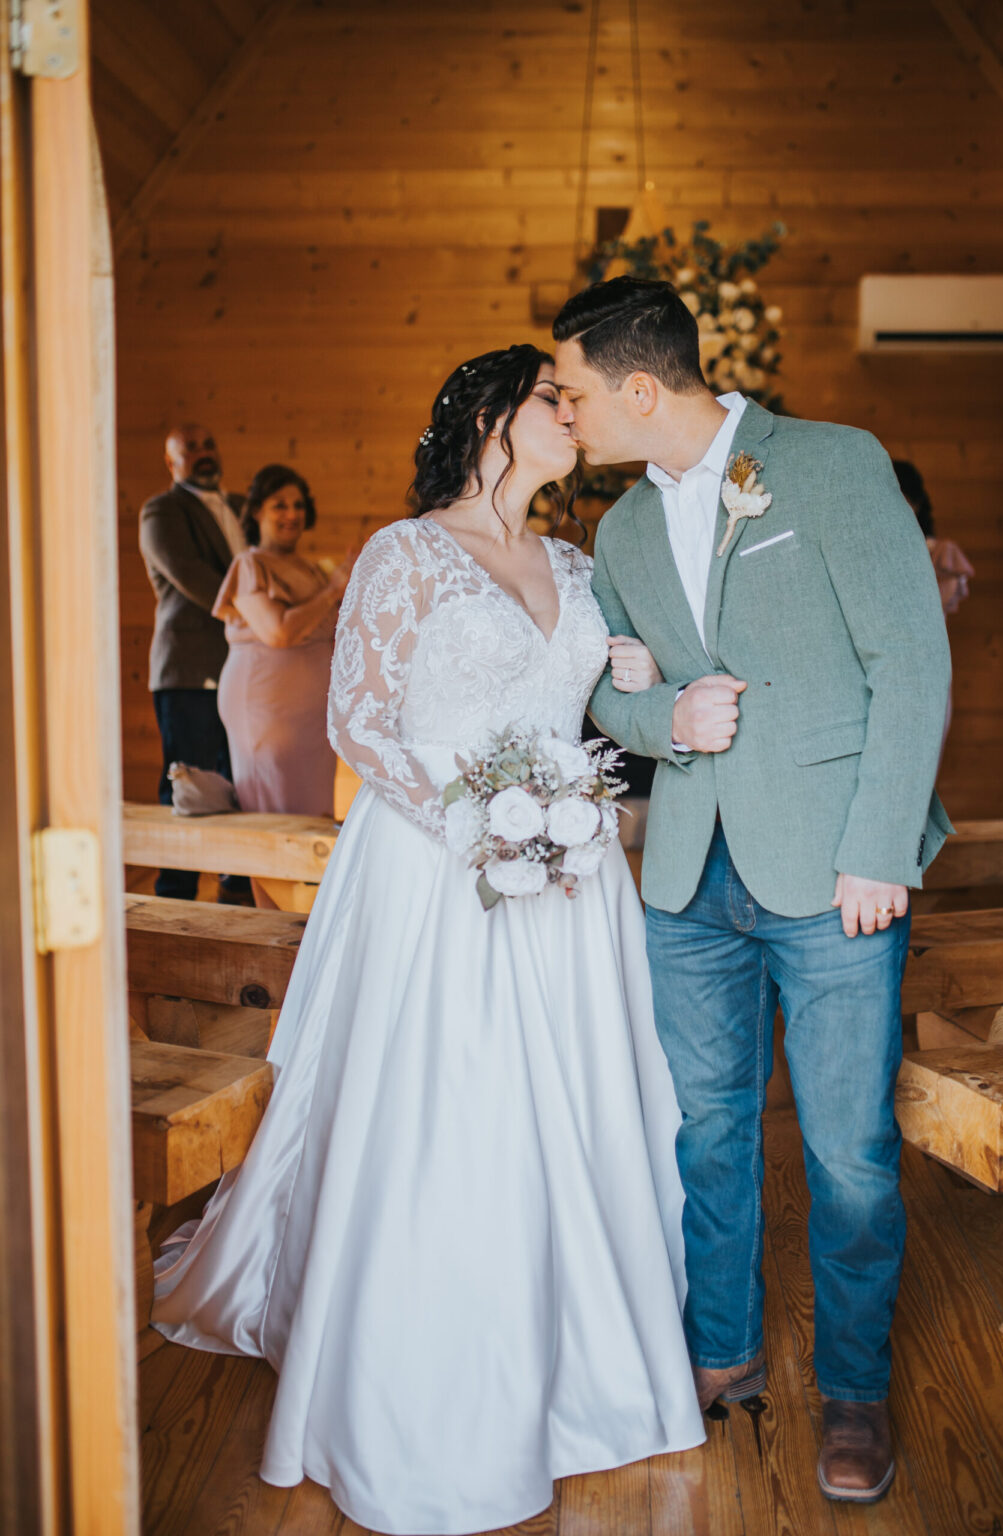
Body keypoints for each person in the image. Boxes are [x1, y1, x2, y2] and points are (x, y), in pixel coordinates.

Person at [151, 344, 706, 1532]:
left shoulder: (573, 559)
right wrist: (483, 823)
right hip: (438, 867)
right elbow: (357, 720)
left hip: (568, 880)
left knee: (580, 1106)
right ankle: (427, 1387)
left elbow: (601, 705)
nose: (572, 415)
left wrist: (637, 689)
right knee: (454, 1111)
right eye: (553, 402)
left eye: (571, 399)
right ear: (493, 422)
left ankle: (588, 1365)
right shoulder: (407, 555)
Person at [552, 277, 952, 1506]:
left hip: (835, 874)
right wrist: (660, 714)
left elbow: (910, 657)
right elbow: (607, 697)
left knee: (847, 1154)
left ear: (636, 385)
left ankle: (852, 1392)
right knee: (706, 1134)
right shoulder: (616, 533)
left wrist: (879, 846)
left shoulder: (831, 463)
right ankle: (716, 1355)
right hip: (684, 881)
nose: (563, 417)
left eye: (569, 394)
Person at [138, 423, 251, 901]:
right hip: (190, 669)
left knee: (235, 783)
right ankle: (175, 894)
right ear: (171, 463)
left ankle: (234, 886)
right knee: (188, 786)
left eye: (209, 444)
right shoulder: (162, 510)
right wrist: (271, 614)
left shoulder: (241, 507)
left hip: (242, 668)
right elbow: (196, 580)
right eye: (190, 449)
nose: (204, 454)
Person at [213, 464, 348, 823]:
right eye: (280, 505)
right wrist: (334, 589)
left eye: (299, 505)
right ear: (257, 511)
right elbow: (279, 633)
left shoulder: (312, 570)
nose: (292, 514)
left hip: (313, 718)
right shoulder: (249, 565)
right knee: (272, 811)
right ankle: (262, 882)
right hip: (267, 709)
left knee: (312, 811)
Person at [893, 459, 973, 757]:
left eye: (905, 497)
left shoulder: (940, 554)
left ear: (916, 502)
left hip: (927, 663)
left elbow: (931, 610)